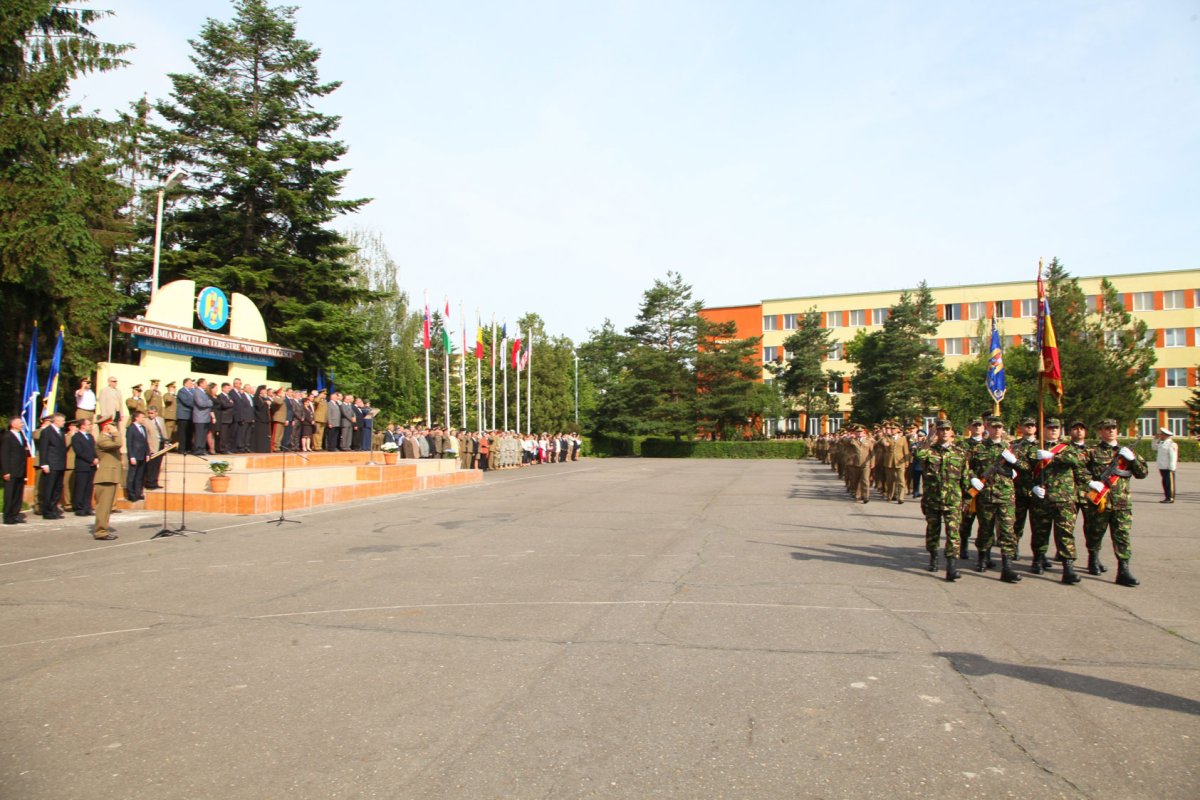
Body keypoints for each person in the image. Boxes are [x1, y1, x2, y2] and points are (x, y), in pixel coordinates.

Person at [1085, 419, 1149, 586]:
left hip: (1122, 502)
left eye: (1113, 428)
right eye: (1107, 428)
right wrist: (1090, 482)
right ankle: (1093, 558)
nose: (1111, 431)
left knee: (1122, 537)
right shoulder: (1092, 451)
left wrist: (1133, 459)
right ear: (1100, 431)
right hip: (1101, 501)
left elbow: (1142, 473)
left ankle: (1123, 570)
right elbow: (1080, 470)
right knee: (1095, 533)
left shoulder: (1126, 451)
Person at [1027, 418, 1088, 584]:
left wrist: (1053, 456)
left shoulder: (1069, 448)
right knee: (1040, 531)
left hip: (1064, 499)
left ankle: (1068, 567)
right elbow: (1024, 471)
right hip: (1042, 498)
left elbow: (1077, 460)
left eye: (1056, 427)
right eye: (1050, 427)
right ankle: (1038, 559)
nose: (1053, 430)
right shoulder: (1034, 448)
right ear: (1043, 429)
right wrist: (1031, 487)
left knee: (1065, 534)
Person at [964, 417, 1024, 583]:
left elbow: (1025, 468)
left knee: (1007, 531)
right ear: (987, 428)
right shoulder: (978, 448)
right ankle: (983, 557)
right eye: (994, 427)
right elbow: (966, 468)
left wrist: (1015, 466)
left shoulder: (1012, 448)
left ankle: (1007, 567)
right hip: (986, 495)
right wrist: (973, 479)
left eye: (1000, 427)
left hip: (1006, 495)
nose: (997, 430)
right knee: (985, 529)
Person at [912, 420, 972, 581]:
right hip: (933, 499)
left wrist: (967, 500)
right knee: (933, 530)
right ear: (937, 432)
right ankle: (933, 556)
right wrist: (929, 437)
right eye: (941, 429)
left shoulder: (960, 453)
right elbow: (917, 455)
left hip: (953, 499)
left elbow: (965, 478)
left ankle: (951, 567)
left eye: (947, 429)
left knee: (953, 534)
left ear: (952, 432)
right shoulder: (929, 451)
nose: (944, 432)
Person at [92, 416, 121, 540]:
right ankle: (100, 531)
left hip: (110, 476)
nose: (114, 428)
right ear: (106, 427)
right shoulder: (102, 440)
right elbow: (119, 443)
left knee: (107, 507)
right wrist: (115, 432)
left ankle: (103, 528)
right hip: (105, 477)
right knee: (103, 507)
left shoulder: (107, 439)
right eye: (112, 426)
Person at [37, 412, 68, 519]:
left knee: (57, 488)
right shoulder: (47, 432)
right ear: (56, 421)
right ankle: (47, 511)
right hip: (51, 464)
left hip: (60, 464)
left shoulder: (61, 432)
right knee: (49, 488)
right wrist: (44, 463)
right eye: (63, 420)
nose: (64, 422)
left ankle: (53, 509)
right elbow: (43, 448)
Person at [2, 416, 30, 525]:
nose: (22, 424)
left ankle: (15, 514)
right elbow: (4, 454)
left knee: (18, 494)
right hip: (11, 470)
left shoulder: (21, 435)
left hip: (20, 469)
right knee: (10, 494)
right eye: (20, 423)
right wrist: (5, 471)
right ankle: (7, 516)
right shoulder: (7, 436)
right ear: (13, 424)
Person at [71, 417, 97, 515]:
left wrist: (96, 458)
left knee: (89, 488)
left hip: (91, 466)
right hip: (82, 466)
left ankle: (87, 507)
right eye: (88, 424)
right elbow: (79, 452)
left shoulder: (90, 436)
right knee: (81, 487)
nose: (90, 426)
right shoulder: (76, 437)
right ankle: (79, 508)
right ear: (82, 426)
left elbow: (94, 449)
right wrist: (91, 459)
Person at [125, 410, 149, 502]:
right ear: (136, 418)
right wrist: (131, 456)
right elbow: (129, 443)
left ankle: (138, 493)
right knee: (132, 476)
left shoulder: (143, 428)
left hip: (142, 455)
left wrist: (147, 454)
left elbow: (145, 442)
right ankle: (131, 494)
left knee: (140, 476)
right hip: (135, 455)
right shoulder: (131, 428)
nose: (143, 419)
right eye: (142, 417)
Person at [144, 406, 168, 490]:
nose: (150, 415)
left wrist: (166, 441)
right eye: (149, 413)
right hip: (152, 445)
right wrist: (148, 448)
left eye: (152, 413)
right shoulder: (146, 421)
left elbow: (164, 431)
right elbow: (146, 436)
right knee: (151, 465)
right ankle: (149, 483)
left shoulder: (160, 420)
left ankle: (155, 482)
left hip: (161, 443)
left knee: (158, 464)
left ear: (156, 413)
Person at [1152, 427, 1178, 503]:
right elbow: (1154, 447)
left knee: (1169, 483)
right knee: (1165, 483)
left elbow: (1173, 457)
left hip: (1168, 467)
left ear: (1166, 435)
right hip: (1162, 466)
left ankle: (1171, 498)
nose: (1160, 435)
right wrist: (1155, 439)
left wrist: (1172, 467)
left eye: (1162, 434)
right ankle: (1167, 497)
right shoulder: (1161, 443)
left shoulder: (1171, 444)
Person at [191, 378, 214, 455]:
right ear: (201, 383)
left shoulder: (204, 392)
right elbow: (200, 403)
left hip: (205, 417)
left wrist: (208, 402)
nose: (206, 385)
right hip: (199, 417)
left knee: (203, 435)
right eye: (205, 383)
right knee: (199, 434)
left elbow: (208, 402)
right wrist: (209, 403)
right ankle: (197, 449)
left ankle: (201, 449)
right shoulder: (197, 392)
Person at [175, 378, 195, 449]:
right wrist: (196, 404)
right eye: (190, 383)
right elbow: (186, 401)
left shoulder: (192, 391)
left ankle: (188, 447)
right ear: (185, 383)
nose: (191, 384)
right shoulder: (181, 391)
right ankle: (182, 448)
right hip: (183, 415)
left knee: (189, 432)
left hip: (190, 415)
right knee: (182, 433)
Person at [216, 382, 235, 454]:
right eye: (227, 388)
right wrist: (231, 403)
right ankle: (222, 449)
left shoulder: (229, 396)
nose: (229, 389)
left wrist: (231, 403)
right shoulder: (220, 396)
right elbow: (224, 405)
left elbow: (232, 403)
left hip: (230, 418)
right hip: (224, 418)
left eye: (229, 388)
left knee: (228, 435)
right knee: (223, 435)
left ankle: (226, 448)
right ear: (223, 388)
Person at [252, 386, 272, 453]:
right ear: (260, 391)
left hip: (265, 419)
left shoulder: (263, 398)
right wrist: (266, 403)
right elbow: (258, 407)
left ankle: (265, 449)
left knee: (265, 436)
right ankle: (259, 449)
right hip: (259, 419)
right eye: (264, 390)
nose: (265, 392)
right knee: (259, 436)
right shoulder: (256, 398)